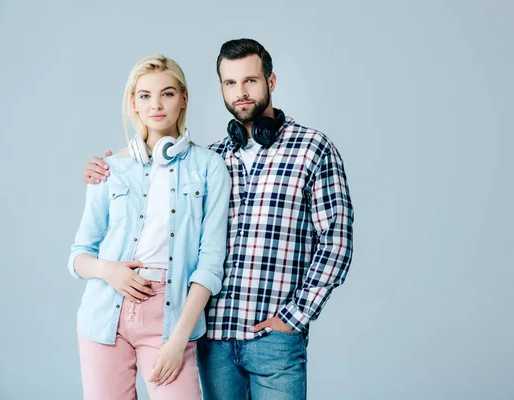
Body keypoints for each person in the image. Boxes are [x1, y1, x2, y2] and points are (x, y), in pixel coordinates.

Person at [83, 39, 354, 400]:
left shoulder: (312, 148)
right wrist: (105, 167)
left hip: (273, 338)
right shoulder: (213, 158)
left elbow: (336, 241)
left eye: (250, 81)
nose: (240, 92)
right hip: (215, 339)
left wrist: (294, 318)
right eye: (230, 83)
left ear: (270, 82)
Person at [69, 54, 230, 400]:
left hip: (171, 315)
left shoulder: (210, 167)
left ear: (184, 98)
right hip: (104, 315)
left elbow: (210, 263)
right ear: (134, 103)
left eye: (167, 93)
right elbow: (79, 255)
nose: (156, 104)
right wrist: (110, 271)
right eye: (145, 95)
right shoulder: (109, 169)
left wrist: (178, 339)